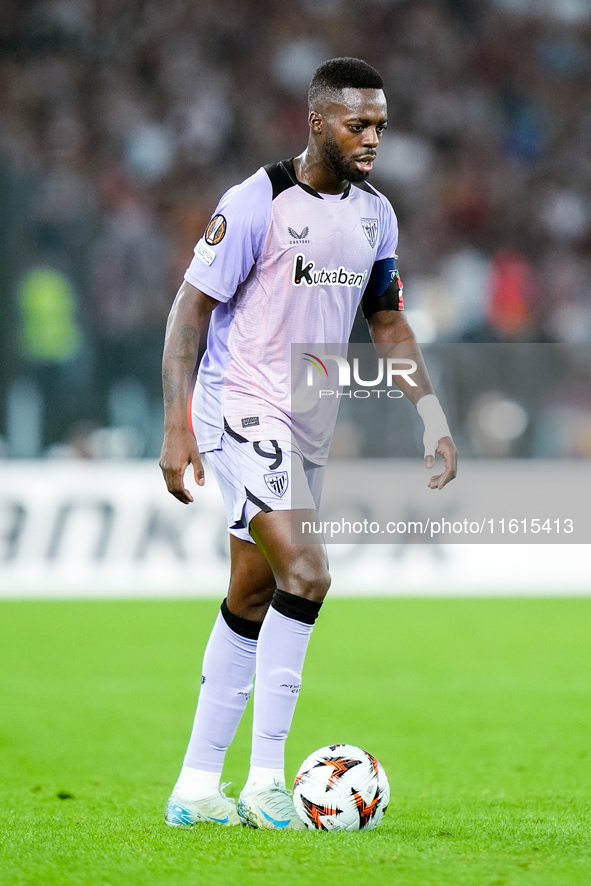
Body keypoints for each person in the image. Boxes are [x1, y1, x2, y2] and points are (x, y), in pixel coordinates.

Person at [159, 57, 458, 830]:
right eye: (358, 124)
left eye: (380, 127)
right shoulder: (255, 201)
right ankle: (264, 781)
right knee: (308, 571)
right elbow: (189, 312)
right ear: (317, 121)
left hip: (308, 418)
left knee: (252, 593)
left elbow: (386, 321)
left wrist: (429, 413)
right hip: (243, 408)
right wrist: (177, 424)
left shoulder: (375, 216)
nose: (372, 139)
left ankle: (195, 786)